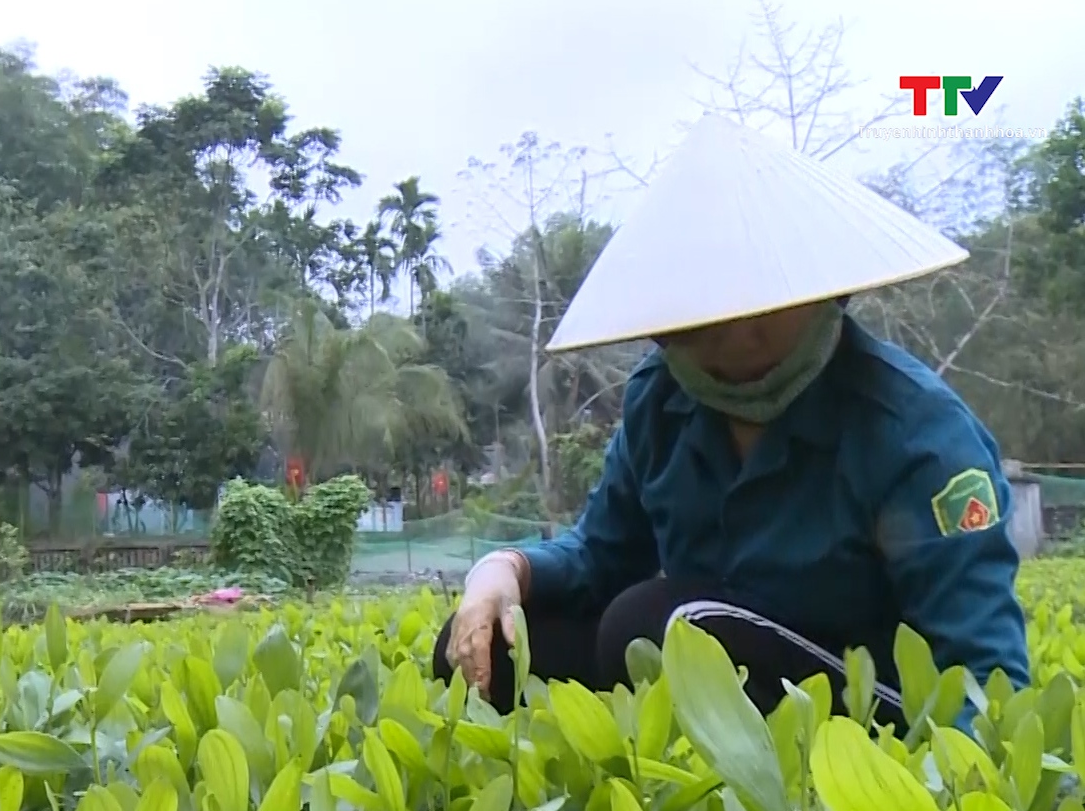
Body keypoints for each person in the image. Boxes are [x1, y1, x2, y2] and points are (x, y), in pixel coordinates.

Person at [435, 114, 1029, 733]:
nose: (739, 341)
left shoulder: (918, 434)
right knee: (480, 650)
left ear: (825, 290)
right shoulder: (659, 404)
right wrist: (504, 570)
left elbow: (986, 677)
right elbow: (600, 554)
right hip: (710, 661)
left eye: (763, 311)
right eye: (706, 323)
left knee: (660, 625)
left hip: (864, 708)